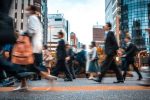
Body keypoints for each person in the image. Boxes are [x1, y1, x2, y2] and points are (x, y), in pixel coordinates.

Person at [13, 5, 57, 91]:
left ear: (31, 11)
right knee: (26, 66)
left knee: (25, 66)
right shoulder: (36, 19)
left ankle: (48, 77)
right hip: (36, 47)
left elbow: (32, 31)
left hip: (32, 48)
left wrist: (23, 33)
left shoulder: (32, 18)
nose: (26, 12)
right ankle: (24, 84)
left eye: (27, 10)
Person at [0, 0, 35, 83]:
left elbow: (32, 30)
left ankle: (17, 73)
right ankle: (18, 72)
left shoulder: (33, 18)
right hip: (5, 26)